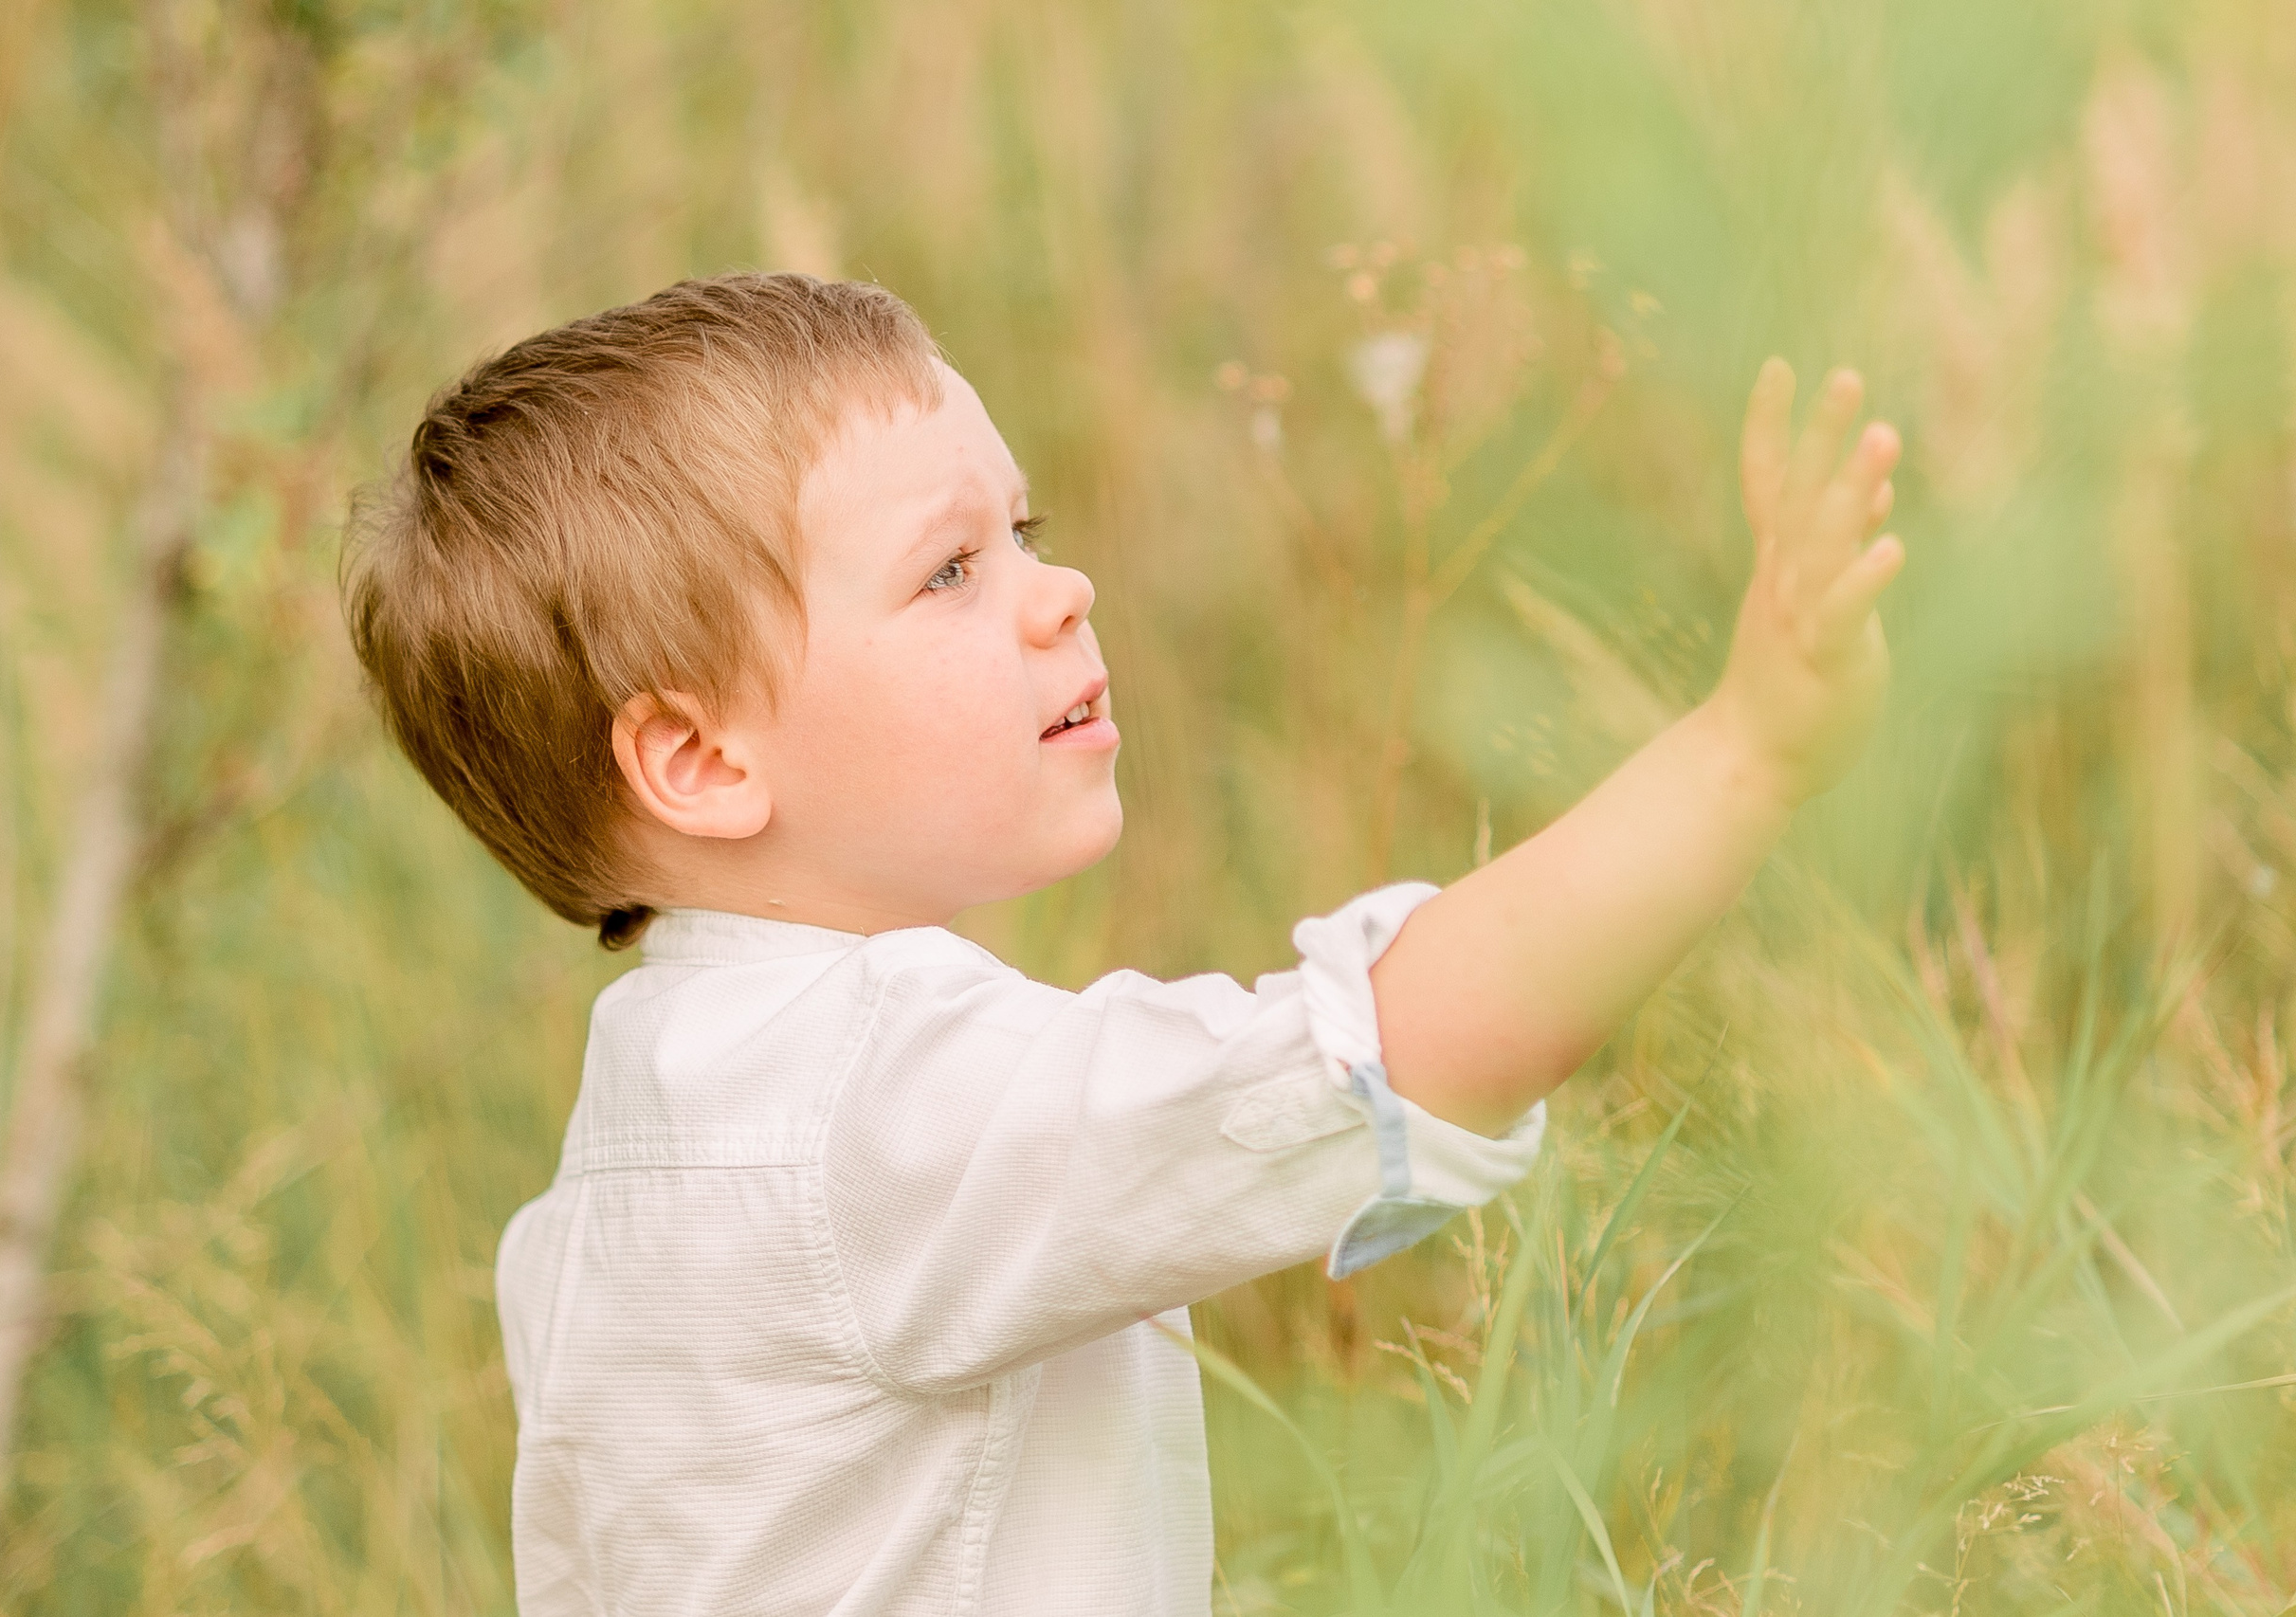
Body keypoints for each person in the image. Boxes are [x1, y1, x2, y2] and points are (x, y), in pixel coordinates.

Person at [342, 273, 1902, 1616]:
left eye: (1025, 532)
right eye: (949, 570)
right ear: (702, 761)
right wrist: (1748, 750)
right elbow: (1385, 1056)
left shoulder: (606, 1187)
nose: (1058, 592)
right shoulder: (885, 1100)